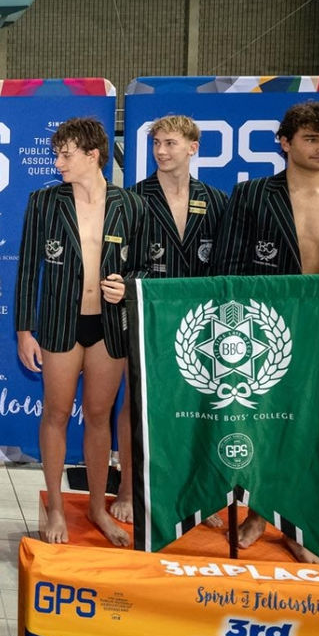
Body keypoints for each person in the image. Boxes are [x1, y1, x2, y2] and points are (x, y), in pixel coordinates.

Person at [212, 100, 319, 562]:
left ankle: (296, 525)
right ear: (286, 143)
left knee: (313, 431)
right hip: (264, 330)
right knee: (263, 423)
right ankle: (255, 513)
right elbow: (227, 267)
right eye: (311, 138)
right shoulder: (252, 195)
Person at [15, 116, 146, 546]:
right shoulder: (44, 201)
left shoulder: (129, 204)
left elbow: (144, 268)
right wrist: (23, 330)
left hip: (108, 326)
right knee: (55, 414)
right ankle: (55, 505)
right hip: (59, 323)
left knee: (97, 417)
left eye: (65, 154)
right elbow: (27, 270)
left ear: (93, 155)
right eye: (56, 153)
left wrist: (125, 287)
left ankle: (94, 507)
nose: (58, 161)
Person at [112, 114, 228, 524]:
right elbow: (120, 259)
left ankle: (201, 492)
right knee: (137, 403)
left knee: (199, 407)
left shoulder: (216, 200)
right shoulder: (133, 197)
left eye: (171, 143)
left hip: (200, 319)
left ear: (193, 148)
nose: (161, 151)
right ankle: (128, 488)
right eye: (157, 143)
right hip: (145, 312)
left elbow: (226, 266)